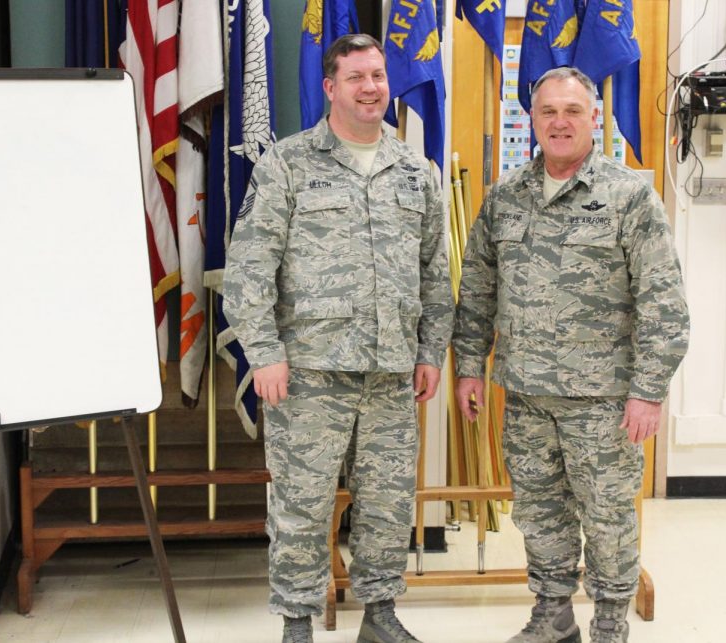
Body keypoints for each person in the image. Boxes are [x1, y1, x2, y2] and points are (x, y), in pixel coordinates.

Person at [222, 34, 453, 643]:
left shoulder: (416, 172)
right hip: (308, 374)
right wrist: (265, 354)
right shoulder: (288, 164)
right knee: (301, 504)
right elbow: (248, 270)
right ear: (330, 87)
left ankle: (379, 617)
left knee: (387, 502)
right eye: (356, 77)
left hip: (391, 373)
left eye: (378, 75)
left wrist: (430, 351)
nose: (371, 87)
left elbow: (436, 273)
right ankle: (297, 624)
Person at [452, 67, 689, 643]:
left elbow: (664, 302)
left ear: (594, 119)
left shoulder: (629, 196)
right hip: (527, 395)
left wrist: (648, 390)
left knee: (608, 519)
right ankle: (553, 617)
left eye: (572, 111)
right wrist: (467, 366)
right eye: (548, 112)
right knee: (540, 514)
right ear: (531, 120)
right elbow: (479, 286)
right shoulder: (507, 196)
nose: (559, 122)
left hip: (603, 401)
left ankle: (610, 624)